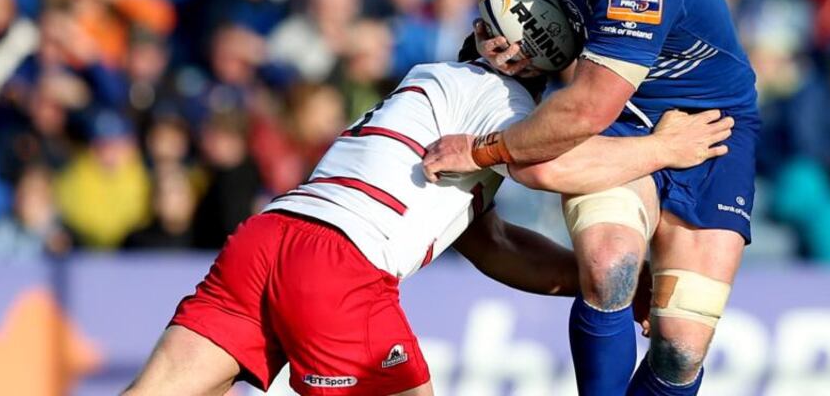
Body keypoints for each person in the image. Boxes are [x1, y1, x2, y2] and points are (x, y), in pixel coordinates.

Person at [124, 34, 733, 396]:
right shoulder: (501, 96)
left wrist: (604, 283)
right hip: (340, 265)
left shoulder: (435, 90)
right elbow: (554, 162)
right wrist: (664, 149)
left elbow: (494, 245)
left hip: (269, 238)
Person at [422, 0, 760, 396]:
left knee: (679, 351)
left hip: (710, 126)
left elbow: (585, 110)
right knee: (607, 267)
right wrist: (514, 49)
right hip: (628, 117)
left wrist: (479, 150)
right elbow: (573, 31)